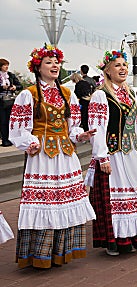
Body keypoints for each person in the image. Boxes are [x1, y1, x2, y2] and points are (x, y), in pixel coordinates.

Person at [9, 43, 96, 269]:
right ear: (38, 67)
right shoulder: (28, 94)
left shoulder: (67, 93)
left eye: (57, 62)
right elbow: (18, 129)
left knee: (63, 200)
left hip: (65, 155)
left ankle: (62, 251)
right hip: (42, 156)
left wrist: (81, 134)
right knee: (45, 200)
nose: (55, 65)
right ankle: (40, 253)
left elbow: (73, 126)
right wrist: (30, 142)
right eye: (49, 62)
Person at [85, 49, 137, 256]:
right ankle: (117, 240)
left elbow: (135, 124)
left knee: (134, 192)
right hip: (114, 153)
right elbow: (97, 128)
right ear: (107, 70)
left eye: (125, 65)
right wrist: (102, 156)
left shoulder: (129, 94)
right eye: (118, 65)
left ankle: (132, 236)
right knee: (116, 195)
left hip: (131, 152)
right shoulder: (101, 95)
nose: (123, 68)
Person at [0, 58, 22, 147]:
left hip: (10, 99)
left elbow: (20, 85)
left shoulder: (10, 75)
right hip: (1, 100)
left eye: (7, 65)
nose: (6, 67)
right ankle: (4, 139)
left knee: (11, 120)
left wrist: (14, 87)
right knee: (3, 120)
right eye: (4, 65)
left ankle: (11, 138)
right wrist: (2, 87)